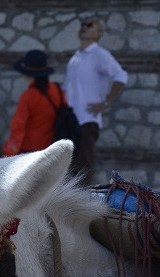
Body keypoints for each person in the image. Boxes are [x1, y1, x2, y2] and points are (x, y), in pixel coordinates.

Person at [64, 17, 128, 184]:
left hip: (87, 119)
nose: (84, 27)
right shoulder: (75, 57)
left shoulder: (100, 55)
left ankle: (82, 206)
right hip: (70, 119)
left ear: (99, 34)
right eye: (83, 24)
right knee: (67, 167)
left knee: (83, 166)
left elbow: (121, 76)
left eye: (90, 25)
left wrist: (107, 103)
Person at [3, 50, 64, 156]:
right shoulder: (57, 90)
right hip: (50, 148)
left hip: (29, 150)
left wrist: (9, 152)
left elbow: (18, 127)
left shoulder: (28, 96)